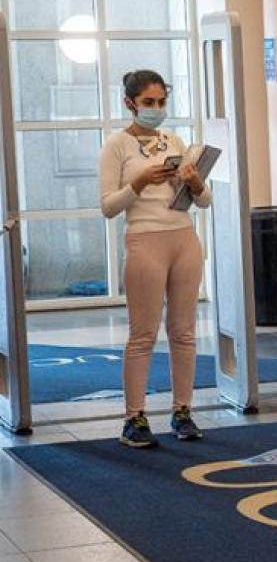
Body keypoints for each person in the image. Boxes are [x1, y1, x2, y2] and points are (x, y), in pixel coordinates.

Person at [99, 70, 210, 448]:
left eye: (162, 102)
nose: (156, 109)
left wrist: (193, 181)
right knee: (142, 335)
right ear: (129, 103)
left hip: (183, 237)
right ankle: (134, 418)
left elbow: (204, 200)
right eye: (149, 102)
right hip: (145, 241)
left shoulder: (172, 139)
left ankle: (183, 411)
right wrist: (141, 181)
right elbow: (108, 207)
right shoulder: (116, 145)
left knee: (183, 332)